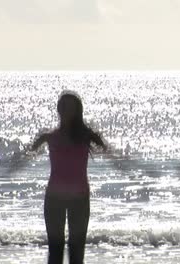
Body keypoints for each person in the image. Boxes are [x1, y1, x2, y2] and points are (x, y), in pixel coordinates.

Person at [17, 92, 107, 264]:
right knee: (55, 252)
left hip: (79, 198)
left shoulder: (86, 136)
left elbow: (109, 152)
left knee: (77, 252)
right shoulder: (49, 137)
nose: (65, 110)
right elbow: (24, 157)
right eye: (63, 106)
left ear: (77, 110)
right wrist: (10, 165)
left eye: (69, 107)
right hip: (54, 198)